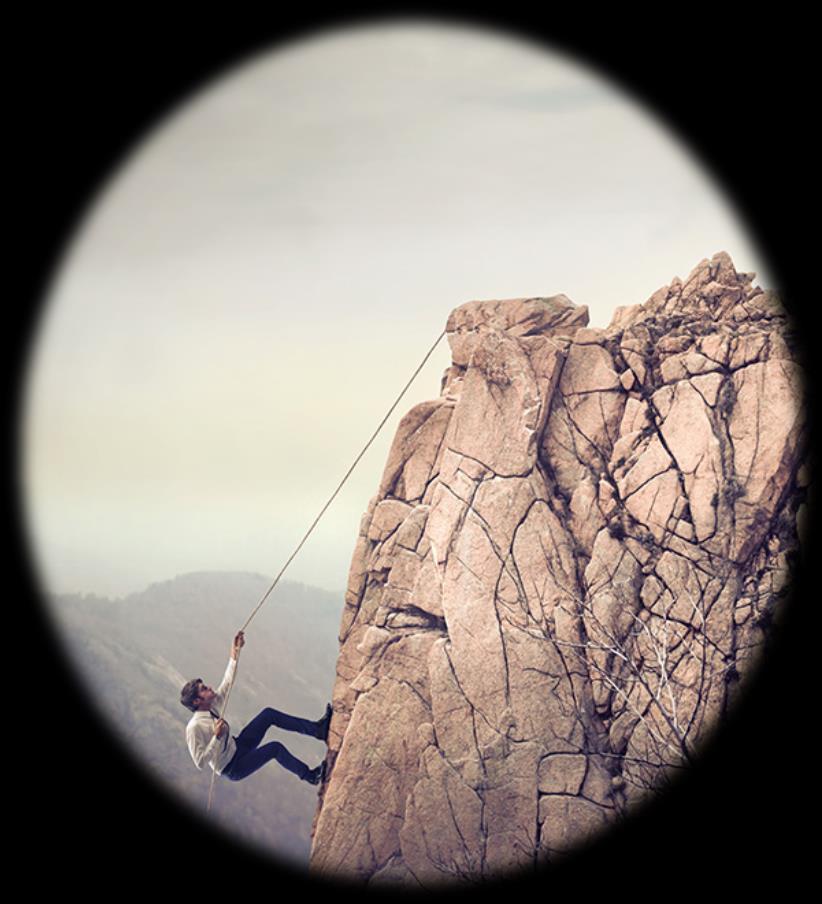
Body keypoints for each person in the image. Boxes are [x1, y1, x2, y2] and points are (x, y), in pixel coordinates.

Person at [180, 630, 331, 785]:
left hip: (238, 746)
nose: (209, 688)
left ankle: (318, 730)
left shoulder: (211, 706)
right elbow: (200, 762)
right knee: (275, 748)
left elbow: (227, 683)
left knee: (268, 714)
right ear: (197, 701)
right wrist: (216, 737)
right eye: (204, 689)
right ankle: (310, 776)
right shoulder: (194, 727)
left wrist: (235, 653)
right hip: (233, 767)